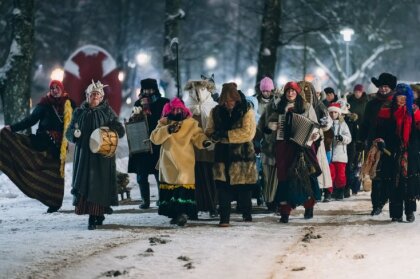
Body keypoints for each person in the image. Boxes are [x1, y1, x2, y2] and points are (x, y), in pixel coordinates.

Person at [0, 80, 74, 213]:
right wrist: (12, 128)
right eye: (52, 88)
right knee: (35, 169)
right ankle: (40, 193)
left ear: (62, 89)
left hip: (58, 148)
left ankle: (54, 202)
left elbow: (76, 122)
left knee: (55, 175)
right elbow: (30, 120)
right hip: (42, 143)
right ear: (50, 91)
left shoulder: (69, 104)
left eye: (57, 88)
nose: (55, 90)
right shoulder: (44, 104)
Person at [66, 80, 125, 230]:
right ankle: (93, 214)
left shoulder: (107, 111)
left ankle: (96, 215)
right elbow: (69, 132)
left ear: (101, 97)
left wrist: (111, 130)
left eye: (97, 95)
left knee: (99, 185)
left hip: (101, 156)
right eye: (92, 95)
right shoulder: (79, 112)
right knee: (86, 184)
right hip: (84, 156)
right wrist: (74, 134)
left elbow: (119, 129)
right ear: (87, 96)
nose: (95, 97)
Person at [150, 97, 211, 226]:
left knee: (183, 189)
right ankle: (175, 214)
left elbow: (198, 136)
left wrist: (204, 141)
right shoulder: (164, 122)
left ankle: (183, 214)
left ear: (184, 110)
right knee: (171, 190)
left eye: (179, 109)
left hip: (185, 161)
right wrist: (168, 130)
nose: (177, 111)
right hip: (168, 162)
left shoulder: (191, 123)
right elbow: (155, 138)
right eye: (175, 109)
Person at [266, 81, 321, 223]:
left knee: (304, 177)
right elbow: (267, 126)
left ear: (297, 93)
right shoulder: (278, 108)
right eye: (288, 91)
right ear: (285, 93)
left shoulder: (307, 107)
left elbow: (315, 126)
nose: (290, 93)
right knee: (284, 178)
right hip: (284, 147)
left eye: (293, 91)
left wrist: (316, 135)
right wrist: (272, 127)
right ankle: (285, 211)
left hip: (303, 147)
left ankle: (309, 206)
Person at [205, 83, 258, 227]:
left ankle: (247, 214)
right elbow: (209, 130)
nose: (229, 104)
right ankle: (224, 218)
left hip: (243, 156)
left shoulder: (246, 110)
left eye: (232, 101)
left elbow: (248, 133)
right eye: (227, 102)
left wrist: (226, 135)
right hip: (222, 156)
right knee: (223, 188)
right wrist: (213, 135)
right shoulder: (215, 111)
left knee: (244, 189)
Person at [359, 72, 397, 216]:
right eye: (381, 86)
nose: (383, 89)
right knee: (376, 176)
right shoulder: (371, 104)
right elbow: (365, 124)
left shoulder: (395, 103)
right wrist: (360, 140)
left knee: (388, 175)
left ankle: (383, 200)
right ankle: (376, 205)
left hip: (391, 144)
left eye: (386, 86)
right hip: (374, 143)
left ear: (391, 88)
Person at [127, 78, 169, 209]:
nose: (147, 92)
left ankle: (162, 199)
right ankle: (145, 201)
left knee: (159, 173)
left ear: (155, 89)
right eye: (145, 89)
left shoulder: (163, 103)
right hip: (142, 143)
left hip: (157, 142)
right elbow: (133, 120)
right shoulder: (138, 103)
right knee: (141, 175)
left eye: (150, 89)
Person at [384, 84, 420, 222]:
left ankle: (410, 211)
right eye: (399, 96)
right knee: (395, 182)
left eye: (404, 97)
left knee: (410, 182)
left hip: (410, 151)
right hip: (392, 151)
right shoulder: (387, 109)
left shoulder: (415, 110)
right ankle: (396, 213)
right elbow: (381, 129)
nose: (401, 99)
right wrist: (380, 140)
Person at [183, 79, 218, 217]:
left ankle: (212, 207)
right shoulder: (187, 107)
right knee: (194, 179)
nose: (197, 93)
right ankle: (194, 208)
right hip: (191, 150)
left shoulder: (213, 107)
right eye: (194, 90)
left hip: (209, 148)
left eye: (201, 90)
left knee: (210, 177)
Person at [327, 103, 352, 200]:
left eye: (335, 112)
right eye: (331, 112)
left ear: (339, 113)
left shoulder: (343, 124)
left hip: (340, 154)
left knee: (340, 175)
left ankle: (340, 191)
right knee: (330, 174)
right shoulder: (327, 124)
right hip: (329, 154)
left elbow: (349, 138)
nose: (333, 114)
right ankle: (330, 192)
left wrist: (342, 138)